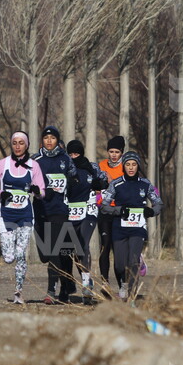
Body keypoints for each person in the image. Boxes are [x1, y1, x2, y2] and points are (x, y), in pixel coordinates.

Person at [0, 131, 45, 305]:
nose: (18, 146)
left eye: (21, 143)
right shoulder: (3, 164)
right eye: (14, 143)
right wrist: (0, 193)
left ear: (27, 145)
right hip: (6, 215)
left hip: (26, 215)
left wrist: (37, 192)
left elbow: (43, 192)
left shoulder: (34, 166)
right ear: (11, 145)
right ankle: (10, 263)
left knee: (21, 255)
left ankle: (18, 291)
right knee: (9, 257)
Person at [99, 151, 162, 303]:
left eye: (134, 164)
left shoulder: (145, 184)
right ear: (124, 166)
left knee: (133, 261)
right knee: (120, 264)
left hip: (138, 228)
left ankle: (132, 295)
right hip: (119, 227)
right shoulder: (116, 184)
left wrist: (151, 211)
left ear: (138, 166)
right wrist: (119, 210)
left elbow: (158, 203)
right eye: (128, 164)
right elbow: (104, 206)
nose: (131, 168)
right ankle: (123, 284)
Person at [32, 126, 79, 304]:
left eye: (53, 138)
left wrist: (73, 183)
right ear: (42, 141)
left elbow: (75, 178)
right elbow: (26, 180)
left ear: (57, 140)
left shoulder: (65, 159)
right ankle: (67, 282)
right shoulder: (35, 160)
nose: (49, 141)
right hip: (39, 209)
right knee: (45, 255)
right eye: (46, 138)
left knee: (53, 250)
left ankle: (52, 290)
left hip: (59, 210)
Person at [65, 140, 109, 305]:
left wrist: (100, 183)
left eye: (76, 153)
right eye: (71, 154)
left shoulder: (93, 167)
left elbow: (105, 181)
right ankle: (87, 279)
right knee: (76, 250)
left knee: (83, 244)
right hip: (71, 211)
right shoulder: (66, 169)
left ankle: (85, 285)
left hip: (89, 210)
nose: (73, 157)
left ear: (81, 153)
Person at [97, 135, 126, 297]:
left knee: (119, 250)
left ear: (122, 153)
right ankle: (105, 282)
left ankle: (122, 283)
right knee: (105, 246)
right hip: (104, 211)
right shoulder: (101, 165)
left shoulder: (126, 166)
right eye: (111, 151)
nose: (113, 155)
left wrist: (112, 180)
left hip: (120, 212)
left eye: (117, 152)